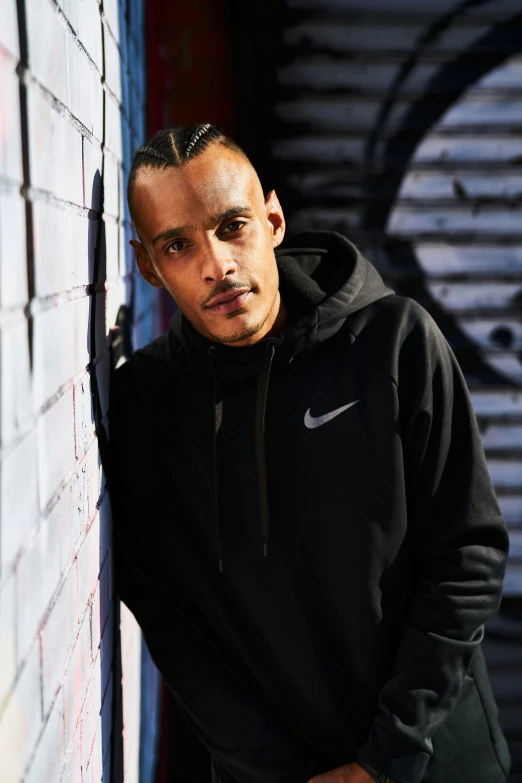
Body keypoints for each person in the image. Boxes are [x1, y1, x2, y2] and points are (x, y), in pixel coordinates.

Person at [108, 123, 511, 783]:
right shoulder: (147, 407)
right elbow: (168, 614)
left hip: (439, 763)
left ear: (273, 219)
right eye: (179, 245)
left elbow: (468, 555)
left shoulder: (393, 341)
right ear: (148, 264)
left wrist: (386, 758)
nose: (217, 264)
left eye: (232, 225)